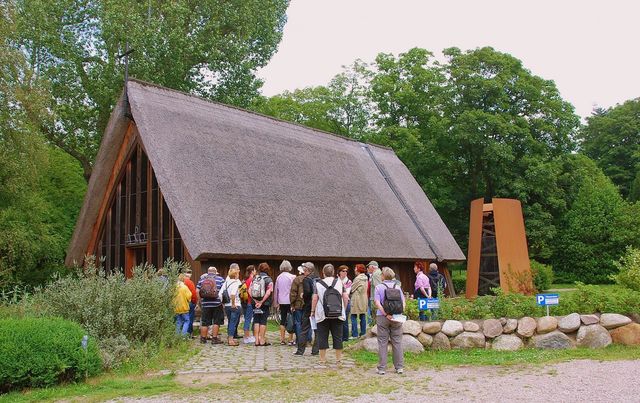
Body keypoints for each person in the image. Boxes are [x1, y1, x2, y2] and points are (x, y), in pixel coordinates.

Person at [312, 264, 349, 365]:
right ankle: (338, 359)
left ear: (323, 273)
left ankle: (323, 359)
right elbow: (345, 297)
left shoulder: (318, 284)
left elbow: (315, 298)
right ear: (333, 273)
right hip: (337, 313)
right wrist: (343, 309)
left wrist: (312, 311)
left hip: (322, 314)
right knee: (338, 336)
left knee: (322, 336)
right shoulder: (339, 282)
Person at [374, 267, 406, 375]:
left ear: (383, 276)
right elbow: (403, 302)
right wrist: (398, 314)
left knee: (383, 342)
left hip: (383, 317)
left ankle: (382, 368)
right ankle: (399, 367)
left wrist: (386, 314)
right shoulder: (397, 287)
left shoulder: (378, 287)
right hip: (396, 317)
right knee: (397, 341)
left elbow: (377, 303)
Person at [294, 262, 319, 356]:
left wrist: (303, 295)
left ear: (308, 270)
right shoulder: (318, 279)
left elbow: (308, 292)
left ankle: (300, 350)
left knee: (304, 328)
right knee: (317, 329)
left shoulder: (306, 280)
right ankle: (315, 350)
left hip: (308, 306)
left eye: (305, 270)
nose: (303, 272)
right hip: (317, 306)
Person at [197, 266, 225, 344]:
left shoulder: (202, 279)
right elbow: (224, 292)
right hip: (217, 304)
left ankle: (203, 339)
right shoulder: (220, 279)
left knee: (205, 322)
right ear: (215, 272)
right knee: (216, 322)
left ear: (208, 272)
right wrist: (223, 302)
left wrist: (200, 302)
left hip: (205, 304)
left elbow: (197, 291)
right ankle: (214, 338)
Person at [274, 260, 296, 345]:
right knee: (291, 319)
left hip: (282, 301)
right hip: (290, 301)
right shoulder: (292, 277)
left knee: (283, 319)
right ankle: (290, 339)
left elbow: (276, 291)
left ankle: (282, 339)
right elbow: (293, 290)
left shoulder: (279, 277)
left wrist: (276, 302)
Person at [251, 262, 274, 346]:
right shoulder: (269, 280)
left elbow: (249, 290)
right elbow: (268, 292)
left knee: (256, 320)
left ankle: (256, 340)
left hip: (255, 303)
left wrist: (256, 301)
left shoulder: (254, 279)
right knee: (263, 321)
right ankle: (262, 340)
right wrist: (261, 302)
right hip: (265, 303)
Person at [222, 264, 242, 346]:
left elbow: (220, 294)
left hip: (227, 305)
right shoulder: (235, 283)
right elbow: (233, 294)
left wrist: (224, 303)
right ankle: (231, 340)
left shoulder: (226, 283)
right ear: (236, 274)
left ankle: (230, 338)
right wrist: (233, 303)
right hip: (234, 305)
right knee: (233, 323)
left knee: (230, 322)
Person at [350, 263, 368, 337]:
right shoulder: (366, 278)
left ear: (358, 269)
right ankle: (363, 333)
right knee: (362, 315)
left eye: (355, 268)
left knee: (353, 316)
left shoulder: (357, 278)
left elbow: (352, 289)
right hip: (364, 298)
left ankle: (355, 334)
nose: (354, 270)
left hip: (356, 299)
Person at [289, 265, 305, 346]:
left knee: (298, 323)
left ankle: (299, 340)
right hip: (308, 305)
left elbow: (293, 293)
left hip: (298, 304)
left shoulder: (297, 280)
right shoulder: (311, 279)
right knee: (307, 322)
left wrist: (292, 304)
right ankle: (307, 340)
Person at [241, 265, 256, 344]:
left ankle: (247, 336)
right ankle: (246, 337)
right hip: (250, 302)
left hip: (245, 302)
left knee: (247, 318)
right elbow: (251, 292)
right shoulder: (251, 280)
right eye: (255, 270)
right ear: (252, 271)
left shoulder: (245, 280)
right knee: (248, 319)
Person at [337, 265, 352, 342]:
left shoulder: (348, 281)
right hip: (337, 302)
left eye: (346, 271)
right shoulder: (336, 280)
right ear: (339, 272)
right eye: (343, 271)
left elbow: (347, 292)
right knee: (338, 320)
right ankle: (339, 337)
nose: (345, 272)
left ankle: (345, 338)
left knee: (345, 320)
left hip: (345, 301)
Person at [183, 269, 198, 337]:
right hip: (189, 302)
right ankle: (188, 333)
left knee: (180, 320)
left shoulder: (179, 282)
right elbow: (193, 294)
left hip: (180, 303)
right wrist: (195, 302)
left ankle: (181, 333)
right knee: (189, 318)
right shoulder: (189, 282)